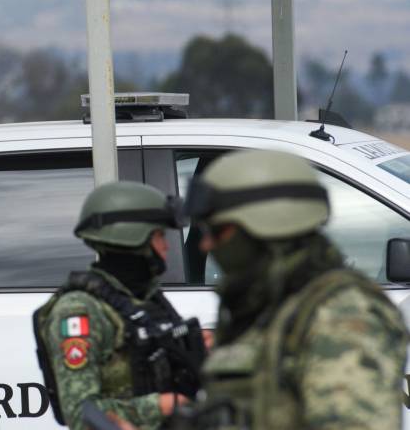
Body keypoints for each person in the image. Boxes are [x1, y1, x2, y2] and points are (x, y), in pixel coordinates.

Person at [181, 149, 408, 429]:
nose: (205, 246)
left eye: (217, 232)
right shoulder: (267, 304)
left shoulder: (341, 314)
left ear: (265, 227)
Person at [33, 182, 206, 430]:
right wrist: (160, 406)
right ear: (133, 238)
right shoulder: (80, 311)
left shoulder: (147, 299)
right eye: (159, 236)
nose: (166, 246)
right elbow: (81, 412)